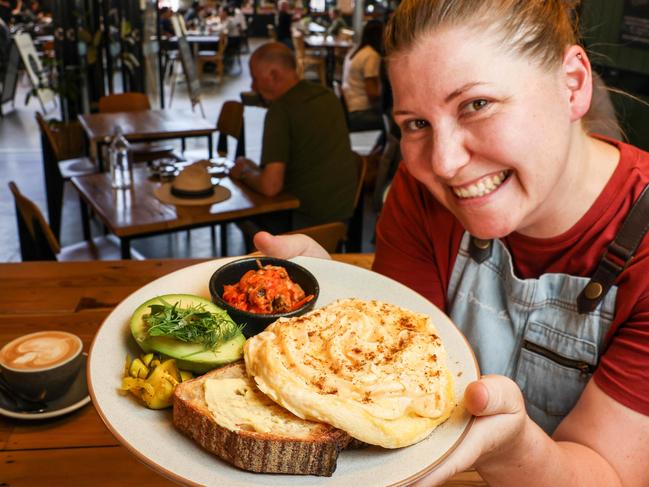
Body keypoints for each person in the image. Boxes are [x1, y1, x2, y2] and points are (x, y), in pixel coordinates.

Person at [253, 1, 649, 486]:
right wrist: (338, 297)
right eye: (416, 124)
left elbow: (609, 473)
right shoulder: (420, 195)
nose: (442, 162)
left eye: (476, 105)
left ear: (573, 83)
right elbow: (392, 373)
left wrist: (512, 446)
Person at [230, 42, 357, 242]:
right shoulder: (327, 96)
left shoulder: (281, 110)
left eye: (255, 78)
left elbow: (271, 186)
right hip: (342, 215)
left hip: (304, 223)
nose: (252, 86)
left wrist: (243, 173)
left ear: (274, 75)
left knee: (241, 214)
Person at [341, 19, 384, 131]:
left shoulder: (355, 51)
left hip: (349, 109)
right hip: (361, 112)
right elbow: (372, 93)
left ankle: (380, 148)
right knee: (396, 122)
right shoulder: (371, 56)